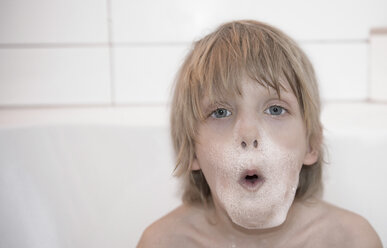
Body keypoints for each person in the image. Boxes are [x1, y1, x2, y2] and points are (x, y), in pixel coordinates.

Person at [137, 20, 382, 247]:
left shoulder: (349, 239)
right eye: (221, 112)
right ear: (192, 151)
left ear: (311, 144)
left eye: (275, 109)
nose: (248, 133)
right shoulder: (165, 242)